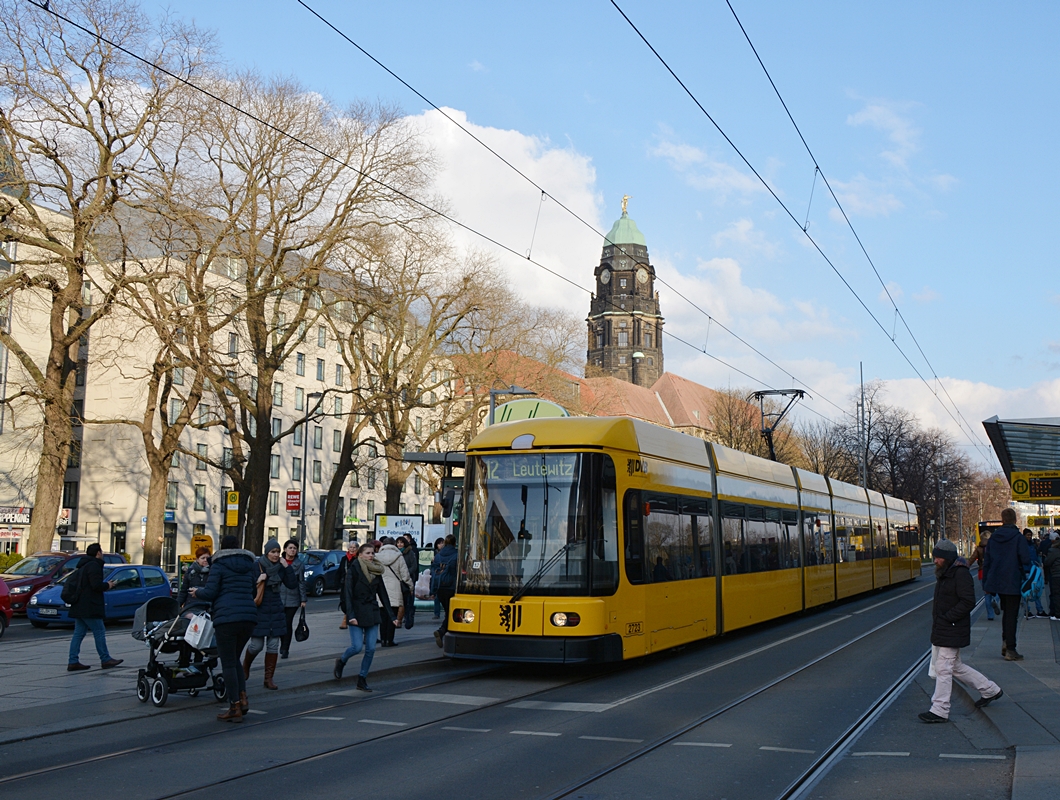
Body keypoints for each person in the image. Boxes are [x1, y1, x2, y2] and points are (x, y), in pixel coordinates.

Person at [919, 539, 1003, 723]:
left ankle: (940, 709)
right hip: (947, 627)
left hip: (952, 627)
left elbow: (967, 601)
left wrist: (948, 617)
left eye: (938, 558)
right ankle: (990, 690)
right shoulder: (947, 572)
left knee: (943, 668)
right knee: (955, 667)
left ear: (947, 558)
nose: (935, 561)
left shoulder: (959, 574)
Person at [191, 534, 259, 722]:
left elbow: (211, 592)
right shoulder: (249, 564)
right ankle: (243, 697)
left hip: (227, 618)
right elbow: (252, 591)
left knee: (228, 662)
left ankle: (234, 705)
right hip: (248, 617)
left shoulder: (219, 565)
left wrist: (197, 592)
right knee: (234, 658)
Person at [333, 542, 391, 691]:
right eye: (368, 553)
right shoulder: (354, 570)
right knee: (357, 647)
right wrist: (350, 615)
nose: (371, 556)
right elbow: (348, 594)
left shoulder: (377, 571)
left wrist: (392, 615)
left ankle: (362, 678)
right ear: (360, 555)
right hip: (356, 612)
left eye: (372, 553)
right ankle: (342, 661)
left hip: (371, 611)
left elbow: (383, 594)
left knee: (371, 649)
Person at [242, 539, 297, 690]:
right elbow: (247, 587)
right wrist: (257, 580)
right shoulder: (257, 565)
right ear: (266, 552)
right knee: (256, 645)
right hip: (260, 608)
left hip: (276, 609)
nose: (276, 555)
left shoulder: (281, 567)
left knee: (273, 646)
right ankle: (245, 666)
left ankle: (268, 679)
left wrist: (287, 568)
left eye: (278, 552)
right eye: (273, 552)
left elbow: (292, 584)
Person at [982, 508, 1033, 661]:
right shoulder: (1018, 537)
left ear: (1002, 520)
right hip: (1012, 580)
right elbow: (1025, 559)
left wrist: (986, 584)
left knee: (1006, 614)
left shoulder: (993, 538)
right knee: (1012, 615)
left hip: (997, 580)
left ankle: (1005, 640)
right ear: (1015, 520)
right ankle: (1010, 648)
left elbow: (987, 562)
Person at [67, 543, 121, 672]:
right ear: (98, 553)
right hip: (90, 605)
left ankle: (73, 661)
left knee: (78, 634)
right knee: (99, 631)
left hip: (79, 604)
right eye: (101, 552)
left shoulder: (83, 565)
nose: (101, 555)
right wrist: (108, 585)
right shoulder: (94, 566)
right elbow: (95, 585)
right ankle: (105, 659)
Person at [376, 537, 413, 647]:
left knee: (383, 616)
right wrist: (410, 587)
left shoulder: (377, 557)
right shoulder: (398, 556)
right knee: (393, 616)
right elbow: (405, 575)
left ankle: (383, 639)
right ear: (394, 544)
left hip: (380, 588)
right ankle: (389, 640)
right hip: (395, 588)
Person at [278, 539, 307, 659]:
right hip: (278, 597)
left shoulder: (299, 564)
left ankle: (285, 648)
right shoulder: (277, 562)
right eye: (290, 548)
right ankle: (281, 644)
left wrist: (303, 599)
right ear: (285, 549)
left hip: (293, 598)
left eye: (294, 548)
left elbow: (301, 582)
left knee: (287, 622)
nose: (292, 550)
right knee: (280, 623)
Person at [433, 534, 458, 648]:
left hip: (440, 587)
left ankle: (443, 632)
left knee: (448, 612)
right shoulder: (457, 555)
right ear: (454, 543)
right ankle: (442, 631)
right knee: (451, 613)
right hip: (451, 587)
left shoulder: (438, 555)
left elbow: (434, 571)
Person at [968, 534, 997, 620]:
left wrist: (965, 566)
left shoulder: (978, 549)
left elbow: (972, 559)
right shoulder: (993, 547)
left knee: (986, 593)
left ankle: (990, 615)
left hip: (982, 572)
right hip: (993, 571)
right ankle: (995, 600)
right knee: (996, 590)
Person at [1022, 529, 1049, 619]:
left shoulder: (1032, 545)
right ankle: (1027, 610)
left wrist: (1038, 563)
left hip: (1033, 570)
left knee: (1036, 589)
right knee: (1026, 591)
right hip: (1026, 570)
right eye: (1027, 535)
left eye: (1030, 535)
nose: (1029, 537)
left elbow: (1035, 555)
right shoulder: (1023, 545)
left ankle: (1039, 610)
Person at [178, 547, 212, 615]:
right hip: (191, 606)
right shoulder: (190, 572)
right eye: (203, 558)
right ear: (197, 559)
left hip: (208, 606)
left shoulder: (213, 572)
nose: (205, 560)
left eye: (207, 558)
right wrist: (177, 605)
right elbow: (183, 591)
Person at [337, 539, 358, 629]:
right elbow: (340, 571)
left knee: (353, 600)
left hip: (356, 584)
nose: (352, 549)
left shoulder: (358, 559)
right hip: (345, 584)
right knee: (344, 601)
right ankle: (347, 616)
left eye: (354, 547)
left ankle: (346, 619)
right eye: (350, 547)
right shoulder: (344, 559)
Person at [1044, 534, 1060, 620]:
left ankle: (1057, 614)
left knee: (1056, 594)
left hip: (1056, 575)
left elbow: (1047, 562)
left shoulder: (1052, 550)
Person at [430, 537, 445, 620]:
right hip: (438, 576)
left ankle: (437, 613)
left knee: (437, 596)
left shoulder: (437, 555)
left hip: (438, 576)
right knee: (437, 597)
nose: (441, 545)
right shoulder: (436, 555)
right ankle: (437, 613)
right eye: (439, 543)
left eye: (442, 543)